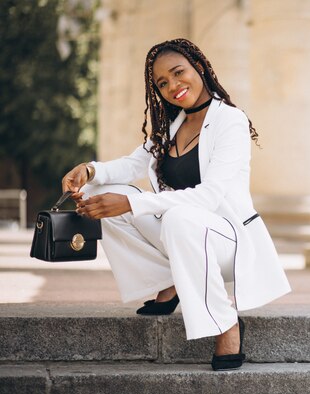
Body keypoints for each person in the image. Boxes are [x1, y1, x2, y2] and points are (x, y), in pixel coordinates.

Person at [61, 38, 291, 371]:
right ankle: (166, 284)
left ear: (199, 66)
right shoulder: (172, 126)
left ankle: (226, 324)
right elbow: (132, 165)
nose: (173, 86)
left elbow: (210, 196)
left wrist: (130, 202)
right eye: (163, 83)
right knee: (107, 194)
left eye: (178, 72)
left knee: (173, 216)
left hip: (227, 240)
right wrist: (89, 170)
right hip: (183, 236)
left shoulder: (230, 121)